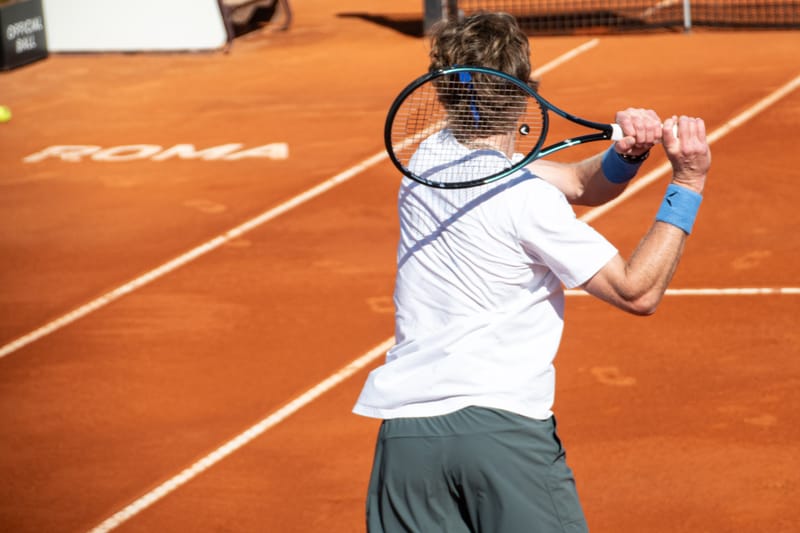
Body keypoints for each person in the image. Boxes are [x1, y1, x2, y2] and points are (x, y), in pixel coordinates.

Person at [353, 11, 711, 533]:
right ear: (525, 94)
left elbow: (577, 182)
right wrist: (690, 181)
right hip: (500, 437)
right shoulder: (528, 202)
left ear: (444, 93)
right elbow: (637, 291)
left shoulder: (427, 163)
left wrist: (627, 155)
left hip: (406, 445)